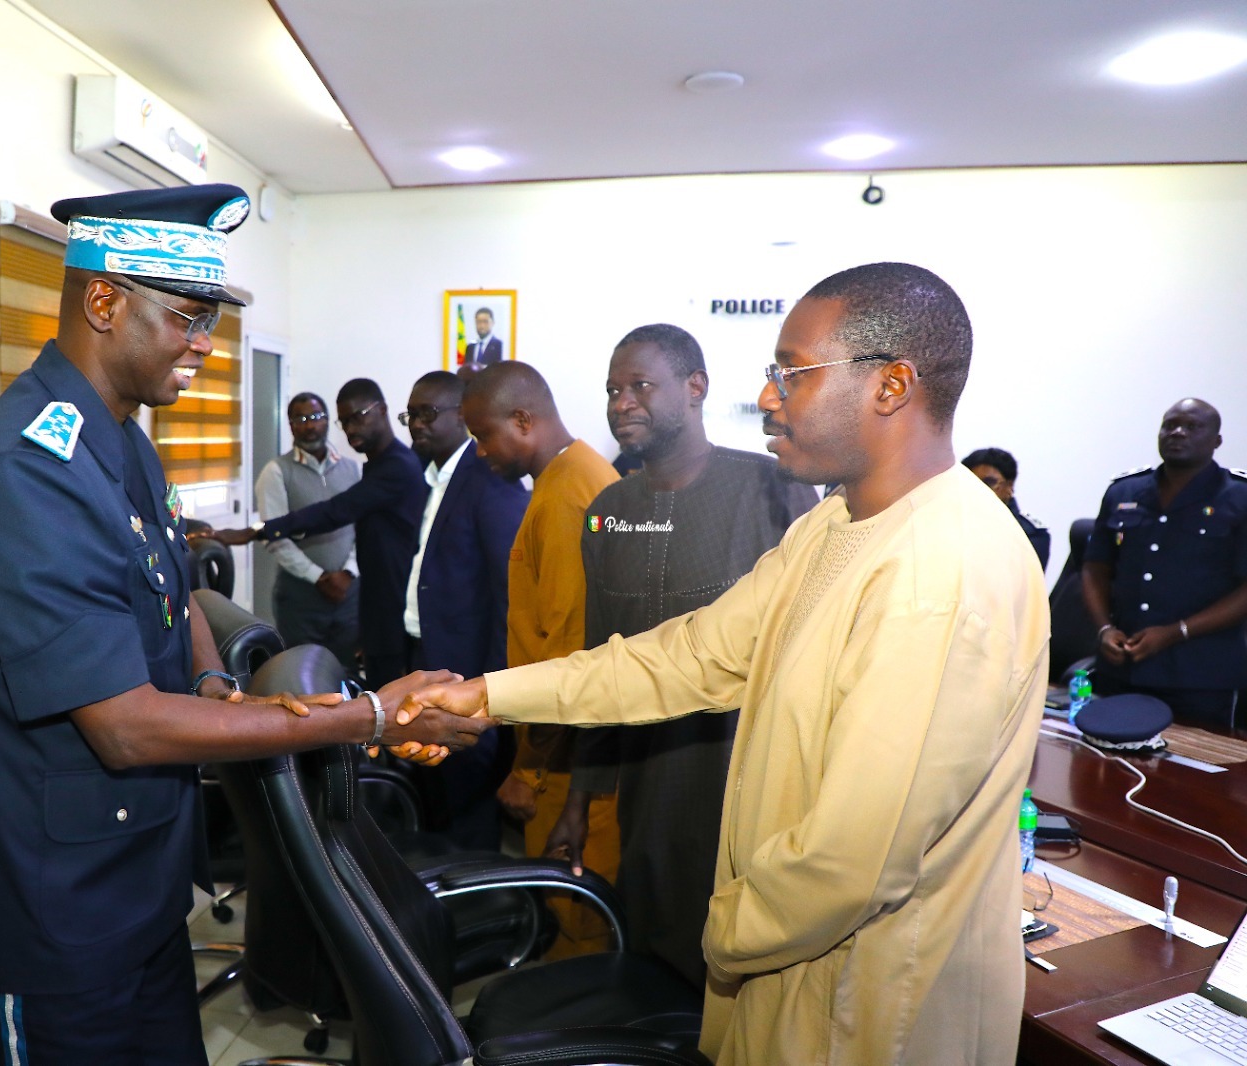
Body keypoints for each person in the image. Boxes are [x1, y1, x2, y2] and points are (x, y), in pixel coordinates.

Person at [398, 263, 1050, 1066]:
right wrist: (486, 695)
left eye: (791, 373)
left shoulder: (938, 573)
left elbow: (849, 865)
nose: (770, 396)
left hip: (866, 1002)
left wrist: (715, 929)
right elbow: (690, 655)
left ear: (891, 386)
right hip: (790, 968)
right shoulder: (836, 525)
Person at [0, 185, 490, 1066]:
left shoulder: (126, 442)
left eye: (209, 318)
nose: (205, 345)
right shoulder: (27, 470)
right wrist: (372, 716)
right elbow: (127, 726)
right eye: (186, 318)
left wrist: (217, 683)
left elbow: (174, 596)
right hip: (47, 913)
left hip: (135, 887)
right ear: (103, 300)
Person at [547, 323, 816, 988]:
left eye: (640, 385)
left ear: (695, 388)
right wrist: (581, 800)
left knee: (741, 977)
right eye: (613, 389)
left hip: (749, 789)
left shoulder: (771, 489)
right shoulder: (607, 511)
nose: (621, 402)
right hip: (648, 793)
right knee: (655, 971)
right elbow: (599, 659)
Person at [465, 360, 622, 956]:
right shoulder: (579, 473)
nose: (480, 452)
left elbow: (568, 652)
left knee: (573, 917)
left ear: (523, 420)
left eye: (484, 436)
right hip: (571, 743)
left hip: (565, 756)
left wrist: (528, 770)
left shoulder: (564, 497)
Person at [210, 379, 425, 688]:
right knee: (305, 678)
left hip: (386, 600)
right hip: (326, 599)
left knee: (379, 692)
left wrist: (254, 531)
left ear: (381, 410)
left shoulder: (394, 466)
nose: (350, 430)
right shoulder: (373, 465)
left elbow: (337, 512)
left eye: (357, 417)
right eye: (345, 421)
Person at [401, 369, 529, 848]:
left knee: (468, 814)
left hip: (469, 679)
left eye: (427, 413)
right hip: (429, 661)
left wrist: (492, 691)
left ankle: (482, 908)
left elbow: (507, 594)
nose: (416, 424)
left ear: (462, 416)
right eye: (410, 415)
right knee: (436, 800)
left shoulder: (487, 477)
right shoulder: (435, 477)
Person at [1082, 398, 1247, 731]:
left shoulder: (1239, 497)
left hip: (1201, 677)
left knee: (1194, 776)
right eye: (1170, 424)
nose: (1178, 432)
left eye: (1192, 426)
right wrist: (1103, 629)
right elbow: (1094, 568)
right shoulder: (1124, 491)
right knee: (1106, 768)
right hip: (1122, 667)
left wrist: (1176, 632)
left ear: (1217, 441)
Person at [255, 391, 362, 674]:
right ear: (290, 424)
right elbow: (275, 537)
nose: (309, 425)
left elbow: (362, 527)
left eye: (315, 417)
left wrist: (348, 572)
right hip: (300, 596)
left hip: (349, 590)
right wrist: (319, 577)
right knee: (303, 674)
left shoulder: (352, 469)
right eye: (300, 419)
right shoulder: (276, 472)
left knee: (346, 671)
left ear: (327, 421)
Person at [962, 446, 1050, 568]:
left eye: (988, 483)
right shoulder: (952, 521)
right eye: (971, 482)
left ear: (1009, 486)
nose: (978, 489)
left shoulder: (1029, 535)